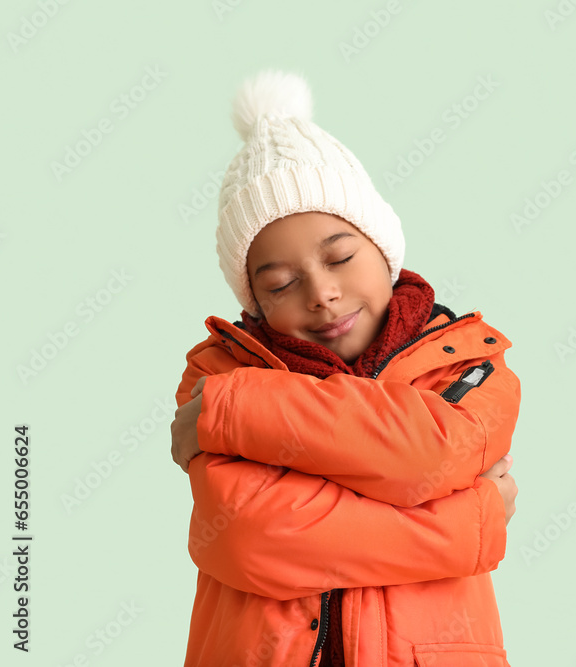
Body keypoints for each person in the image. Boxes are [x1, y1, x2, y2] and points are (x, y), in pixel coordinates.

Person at [169, 68, 522, 667]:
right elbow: (254, 537)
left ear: (382, 247)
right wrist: (471, 524)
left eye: (340, 256)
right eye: (281, 283)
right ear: (253, 303)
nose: (323, 293)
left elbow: (430, 452)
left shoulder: (469, 360)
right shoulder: (214, 372)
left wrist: (243, 409)